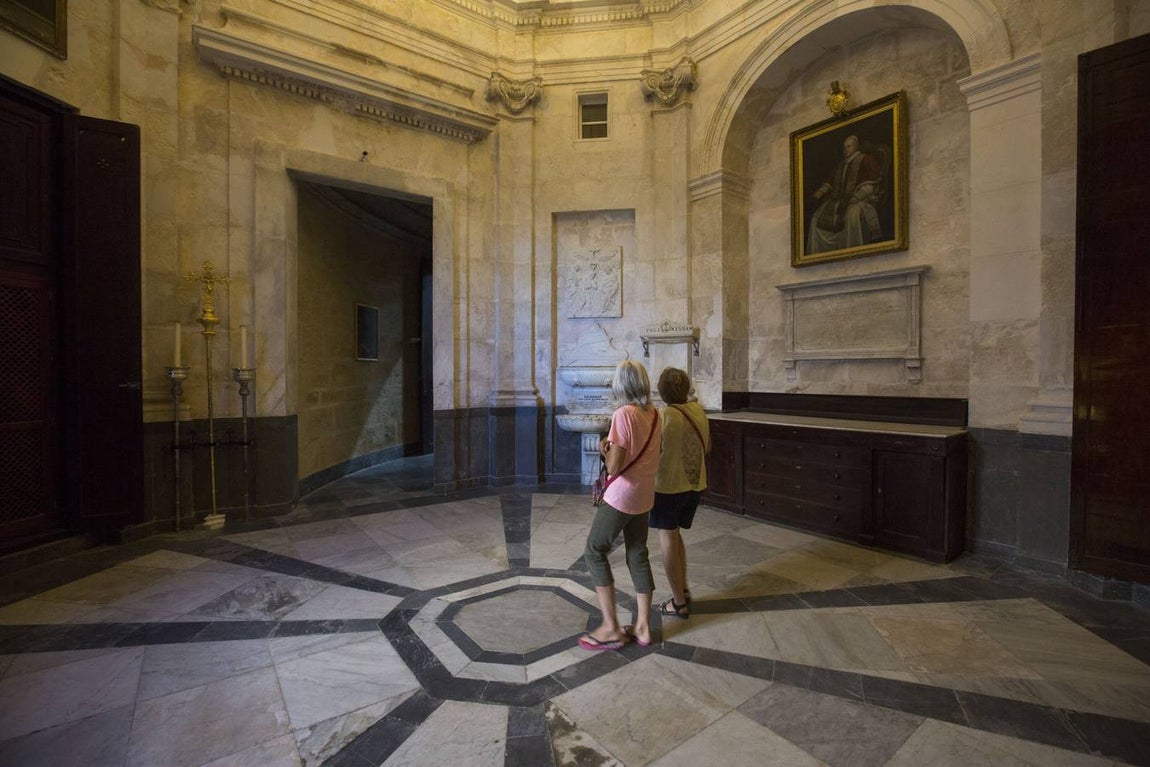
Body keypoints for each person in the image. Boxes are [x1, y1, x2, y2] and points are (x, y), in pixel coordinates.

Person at [579, 359, 661, 650]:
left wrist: (605, 451)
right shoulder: (653, 413)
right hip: (644, 495)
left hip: (622, 497)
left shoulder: (623, 414)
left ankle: (611, 626)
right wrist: (610, 447)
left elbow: (614, 467)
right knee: (637, 553)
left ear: (621, 384)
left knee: (594, 550)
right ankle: (643, 627)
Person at [650, 367, 709, 619]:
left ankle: (678, 603)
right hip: (694, 485)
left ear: (662, 392)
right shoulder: (698, 411)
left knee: (667, 538)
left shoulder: (663, 416)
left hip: (668, 486)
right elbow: (708, 446)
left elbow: (653, 452)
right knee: (675, 537)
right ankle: (682, 589)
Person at [806, 133, 883, 254]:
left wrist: (855, 197)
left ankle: (853, 254)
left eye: (849, 147)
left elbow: (870, 186)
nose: (846, 150)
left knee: (852, 214)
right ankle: (818, 255)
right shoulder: (841, 165)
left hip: (861, 199)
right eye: (844, 147)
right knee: (816, 218)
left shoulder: (865, 159)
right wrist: (818, 194)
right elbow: (830, 182)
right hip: (838, 200)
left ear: (856, 147)